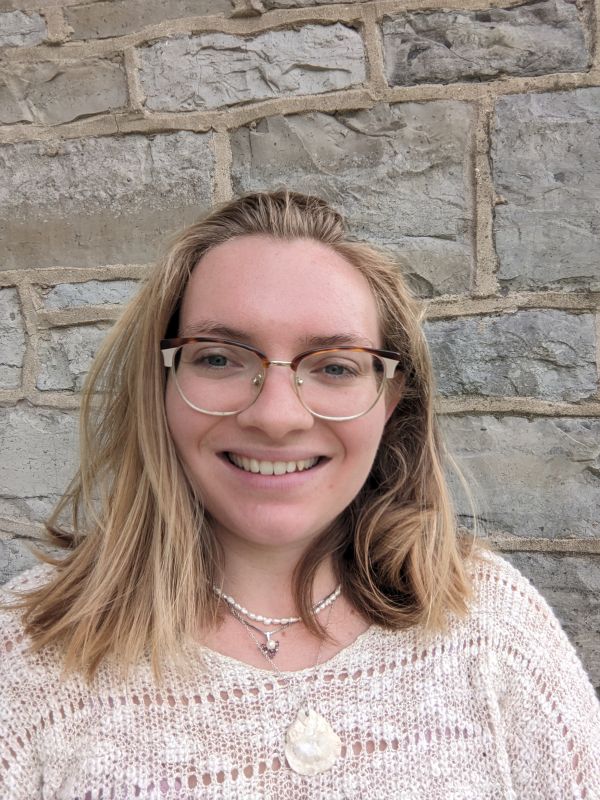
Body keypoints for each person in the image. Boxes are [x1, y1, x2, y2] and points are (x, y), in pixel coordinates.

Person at [0, 190, 598, 799]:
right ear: (161, 387)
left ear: (390, 401)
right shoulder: (26, 653)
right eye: (218, 358)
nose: (276, 416)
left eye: (335, 366)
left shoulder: (491, 623)